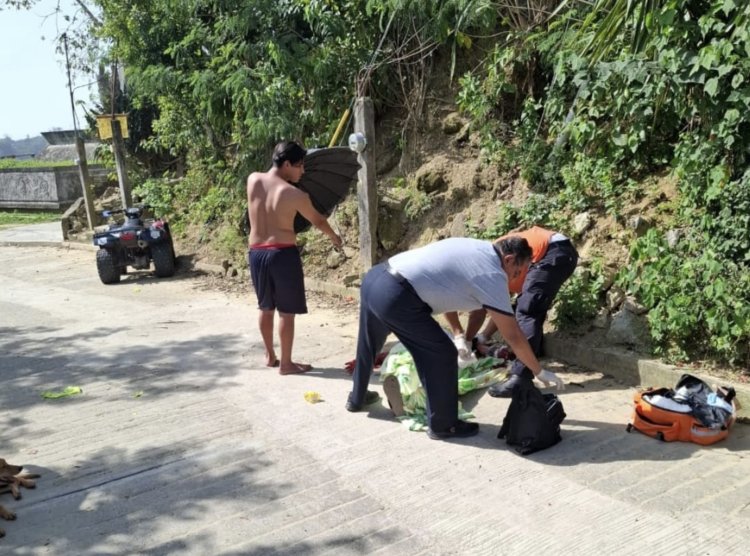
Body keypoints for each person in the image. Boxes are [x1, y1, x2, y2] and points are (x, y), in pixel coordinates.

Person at [345, 236, 564, 440]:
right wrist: (538, 370)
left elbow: (451, 293)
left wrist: (465, 337)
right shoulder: (492, 274)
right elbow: (514, 335)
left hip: (375, 278)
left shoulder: (478, 248)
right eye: (517, 272)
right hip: (398, 296)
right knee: (440, 355)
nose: (514, 279)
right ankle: (444, 425)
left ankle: (356, 399)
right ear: (508, 259)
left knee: (368, 343)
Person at [445, 226, 578, 397]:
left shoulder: (489, 267)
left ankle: (521, 378)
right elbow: (501, 309)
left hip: (550, 252)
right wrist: (481, 337)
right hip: (555, 251)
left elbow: (480, 312)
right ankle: (529, 355)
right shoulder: (494, 264)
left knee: (527, 311)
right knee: (525, 309)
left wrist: (468, 341)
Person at [247, 140, 342, 375]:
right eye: (300, 165)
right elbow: (318, 220)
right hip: (282, 255)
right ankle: (287, 364)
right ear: (287, 164)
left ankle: (270, 355)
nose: (303, 171)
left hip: (257, 253)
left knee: (265, 307)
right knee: (286, 312)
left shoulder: (253, 180)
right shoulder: (295, 194)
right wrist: (334, 238)